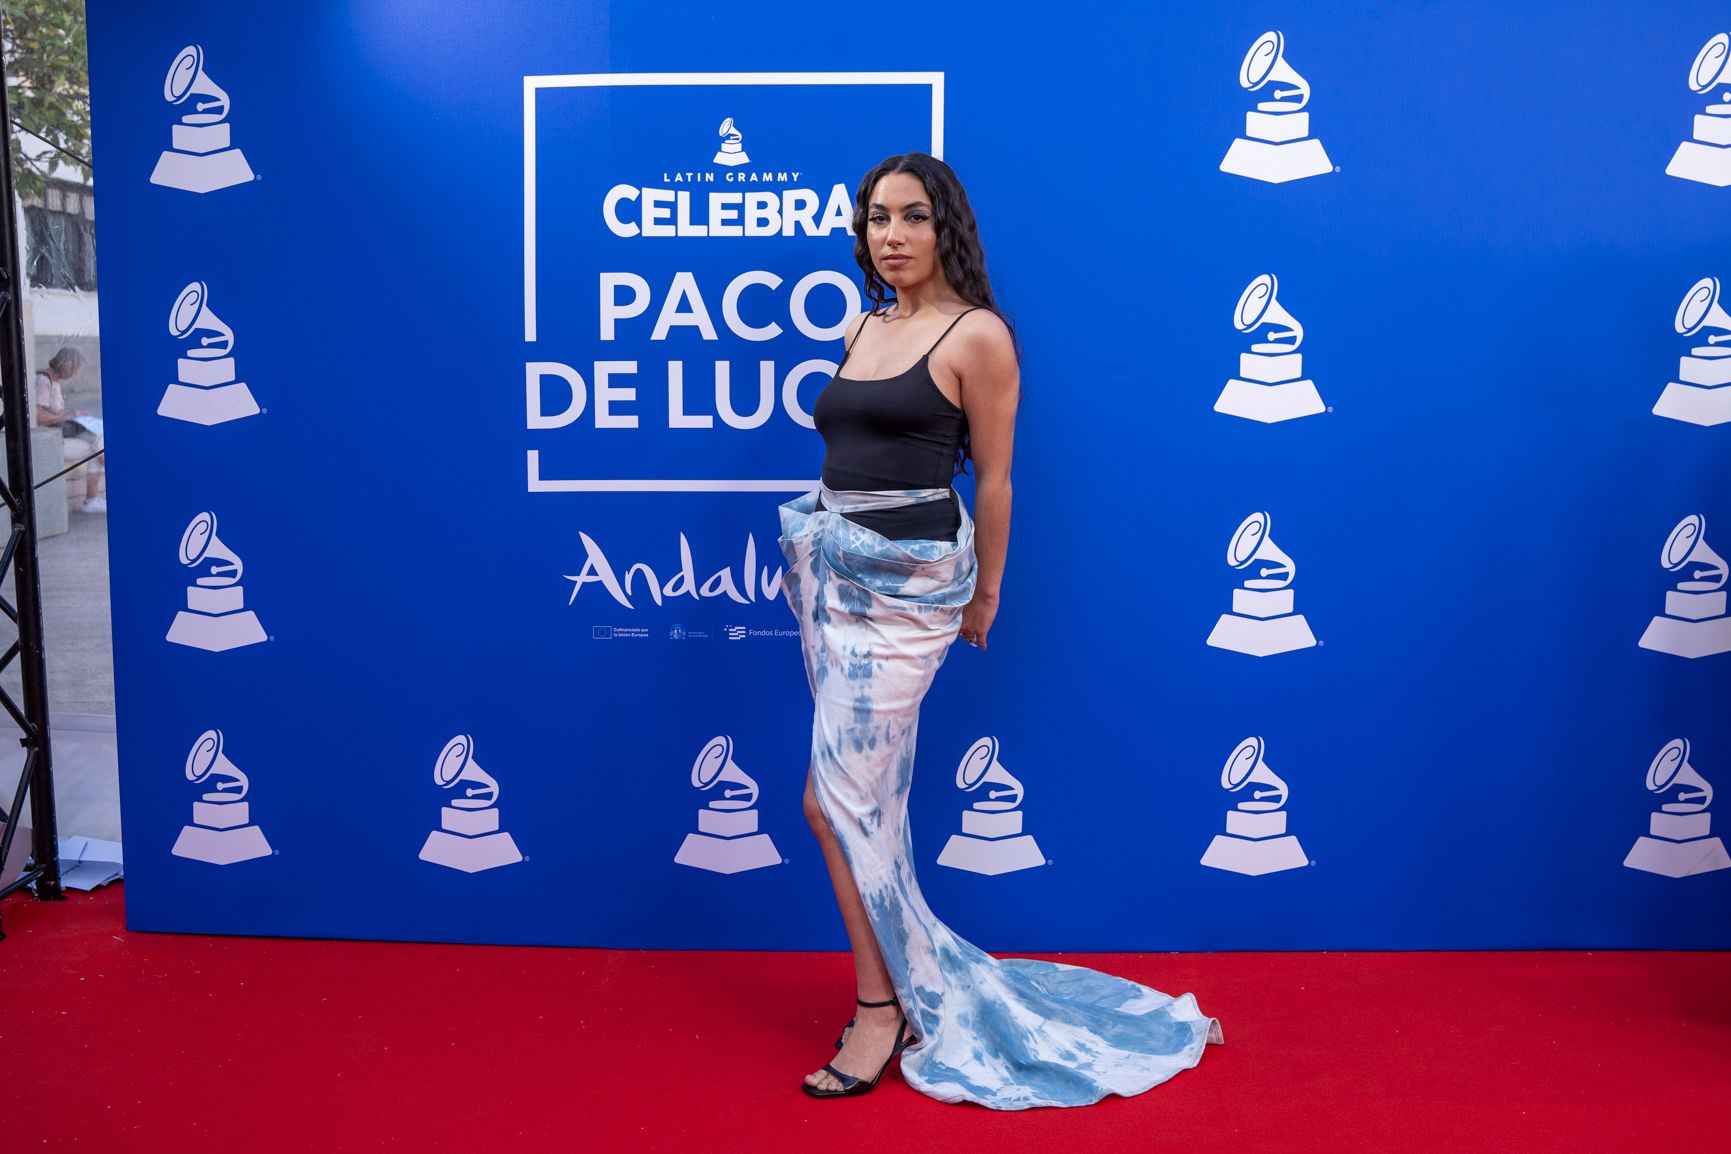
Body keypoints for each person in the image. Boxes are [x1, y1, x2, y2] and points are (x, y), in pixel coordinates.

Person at [777, 153, 1223, 1108]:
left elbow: (994, 480)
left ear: (947, 229)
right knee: (867, 808)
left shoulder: (977, 336)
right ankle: (894, 987)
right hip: (830, 579)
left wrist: (983, 598)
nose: (888, 234)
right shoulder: (863, 325)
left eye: (909, 216)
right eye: (873, 218)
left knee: (832, 806)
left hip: (905, 593)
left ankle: (878, 1007)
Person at [32, 346, 105, 513]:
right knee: (99, 444)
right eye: (75, 369)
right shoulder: (44, 381)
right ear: (68, 366)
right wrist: (65, 417)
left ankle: (92, 500)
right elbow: (39, 417)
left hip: (61, 432)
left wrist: (75, 414)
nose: (75, 373)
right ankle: (95, 497)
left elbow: (53, 411)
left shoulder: (55, 381)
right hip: (51, 438)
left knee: (95, 448)